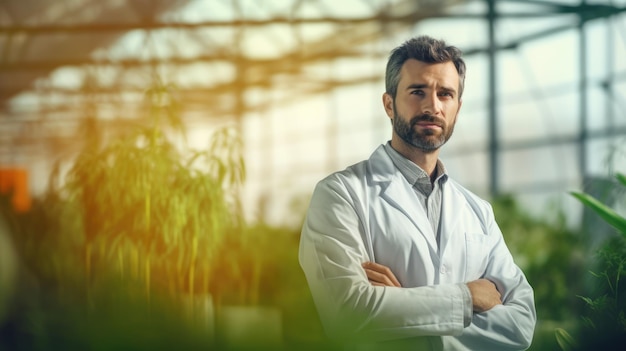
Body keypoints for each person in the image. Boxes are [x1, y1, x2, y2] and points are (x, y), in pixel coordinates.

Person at [299, 35, 536, 350]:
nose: (432, 106)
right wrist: (467, 298)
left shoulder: (478, 213)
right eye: (417, 91)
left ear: (457, 108)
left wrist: (398, 308)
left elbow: (521, 325)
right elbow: (347, 314)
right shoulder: (340, 195)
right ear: (389, 104)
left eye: (445, 94)